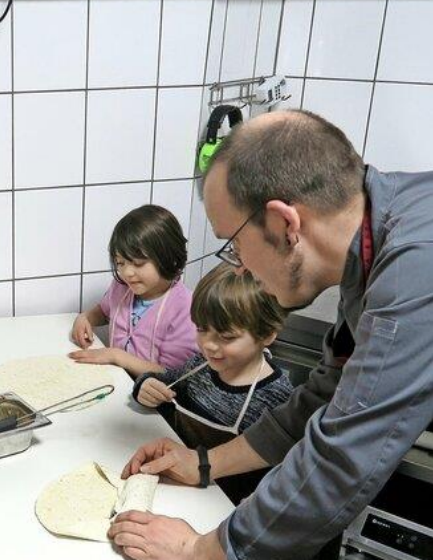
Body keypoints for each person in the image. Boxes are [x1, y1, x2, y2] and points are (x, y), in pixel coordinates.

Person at [109, 109, 433, 559]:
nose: (238, 266)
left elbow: (345, 455)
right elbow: (325, 396)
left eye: (235, 243)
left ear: (285, 224)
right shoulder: (370, 241)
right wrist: (203, 463)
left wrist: (202, 550)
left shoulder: (416, 266)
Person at [132, 262, 291, 504]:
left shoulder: (277, 398)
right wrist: (145, 386)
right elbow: (166, 381)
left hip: (222, 507)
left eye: (227, 337)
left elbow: (278, 483)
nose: (209, 345)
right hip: (176, 489)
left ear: (267, 334)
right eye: (202, 330)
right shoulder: (200, 365)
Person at [69, 205, 197, 378]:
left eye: (138, 263)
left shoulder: (186, 309)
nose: (127, 273)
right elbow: (104, 311)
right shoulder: (122, 287)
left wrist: (116, 356)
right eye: (120, 263)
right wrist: (86, 318)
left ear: (169, 257)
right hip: (116, 381)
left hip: (150, 400)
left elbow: (172, 375)